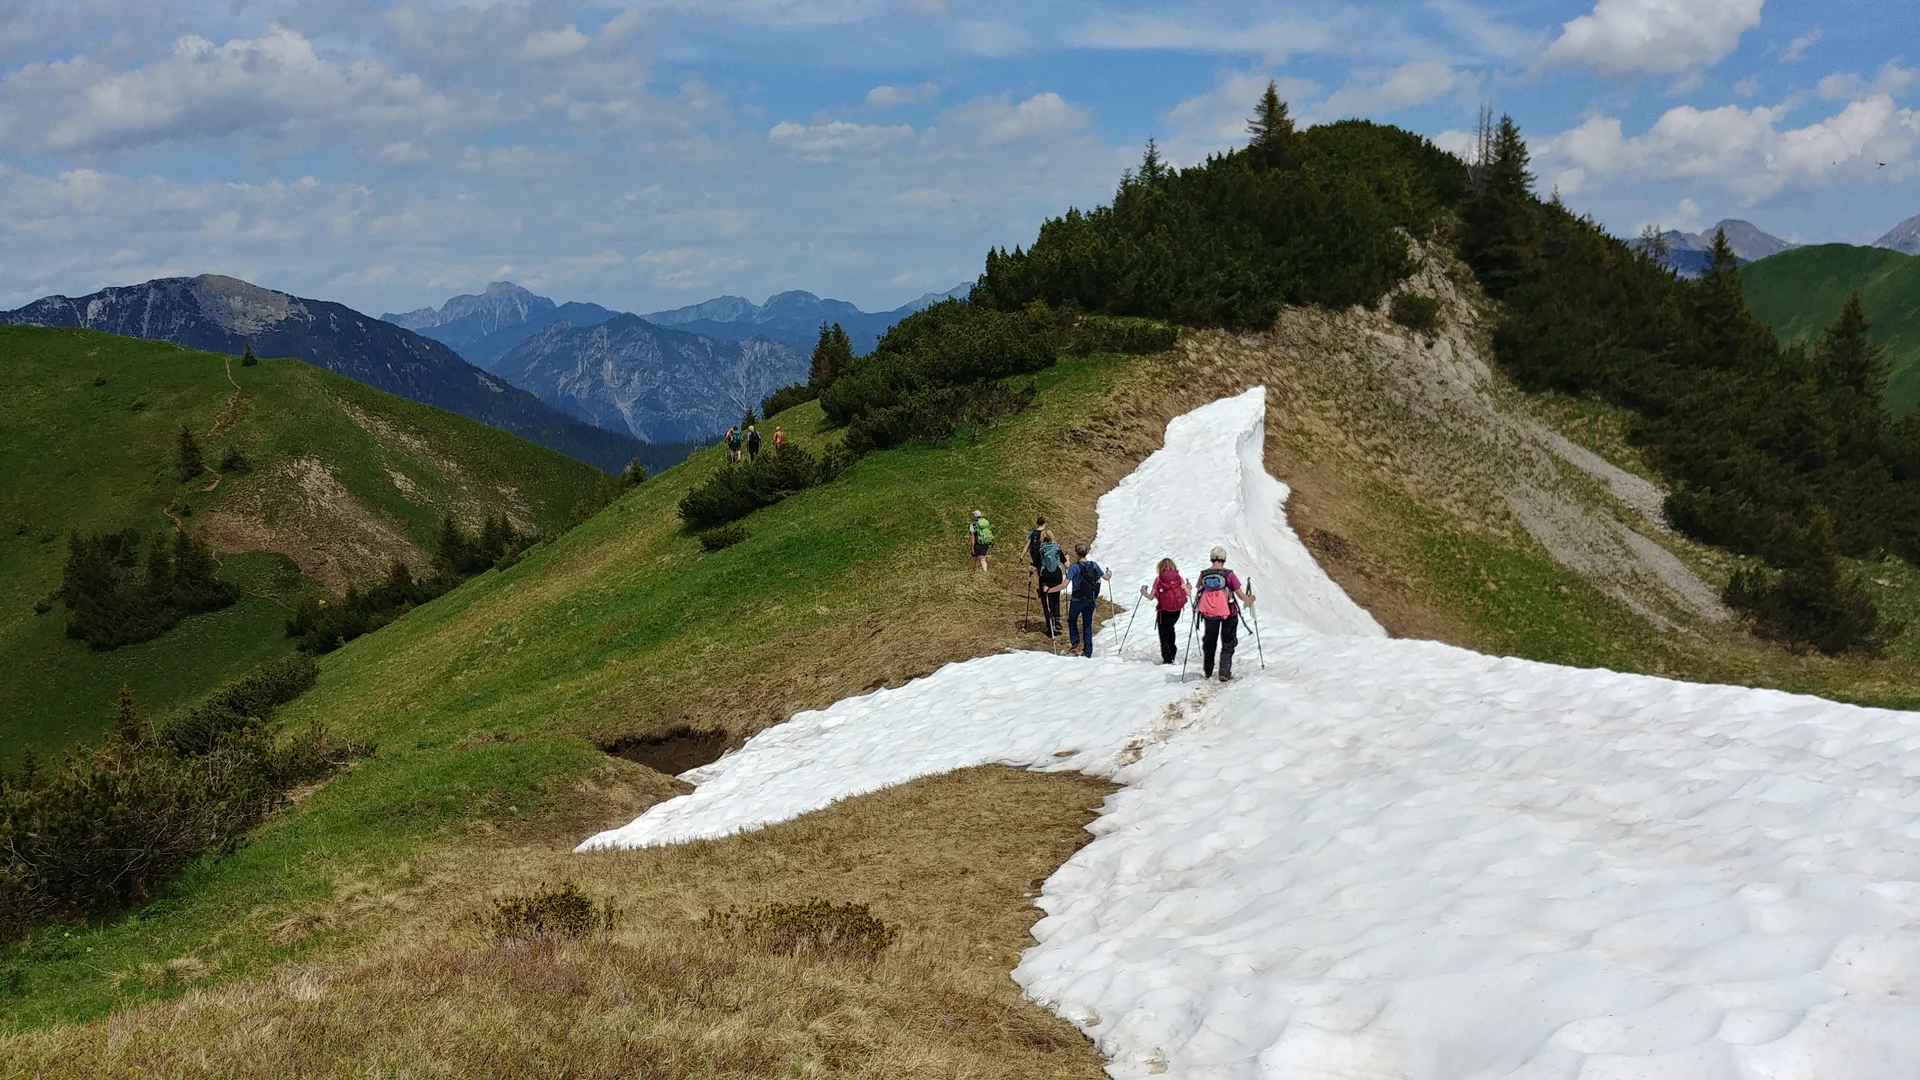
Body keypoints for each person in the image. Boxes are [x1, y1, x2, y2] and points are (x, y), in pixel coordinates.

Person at [1194, 546, 1254, 681]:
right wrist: (1250, 598)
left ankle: (1208, 670)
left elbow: (1199, 591)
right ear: (1224, 559)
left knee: (1210, 640)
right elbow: (1241, 596)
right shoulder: (1229, 574)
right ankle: (1224, 672)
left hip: (1209, 613)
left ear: (1211, 558)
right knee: (1228, 641)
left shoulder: (1204, 574)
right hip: (1229, 612)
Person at [1049, 542, 1109, 657]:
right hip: (1090, 600)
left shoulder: (1074, 567)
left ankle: (1075, 644)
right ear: (1086, 553)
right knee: (1087, 625)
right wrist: (1109, 573)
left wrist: (1049, 590)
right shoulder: (1094, 565)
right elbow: (1106, 577)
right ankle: (1088, 652)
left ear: (1076, 554)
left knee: (1072, 621)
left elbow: (1064, 585)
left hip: (1077, 600)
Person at [1140, 557, 1188, 664]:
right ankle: (1173, 652)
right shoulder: (1178, 578)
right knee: (1170, 628)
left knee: (1163, 633)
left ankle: (1167, 658)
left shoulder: (1159, 579)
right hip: (1177, 610)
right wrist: (1189, 587)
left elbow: (1151, 597)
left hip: (1163, 610)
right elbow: (1187, 592)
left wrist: (1144, 592)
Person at [1033, 528, 1065, 637]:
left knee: (1045, 601)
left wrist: (1030, 568)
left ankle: (1049, 625)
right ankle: (1057, 620)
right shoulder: (1057, 548)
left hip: (1045, 578)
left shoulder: (1040, 549)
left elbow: (1035, 566)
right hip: (1057, 576)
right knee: (1055, 598)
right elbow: (1065, 563)